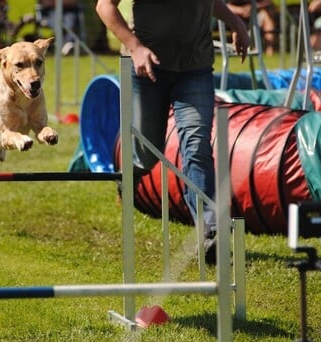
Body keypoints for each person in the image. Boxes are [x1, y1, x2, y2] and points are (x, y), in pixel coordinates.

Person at [95, 0, 250, 264]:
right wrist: (135, 47)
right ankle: (126, 175)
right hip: (145, 67)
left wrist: (235, 22)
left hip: (195, 68)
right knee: (146, 155)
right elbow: (104, 6)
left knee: (197, 145)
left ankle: (209, 231)